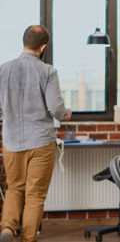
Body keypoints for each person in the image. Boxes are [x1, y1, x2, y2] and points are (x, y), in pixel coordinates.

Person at [0, 25, 72, 242]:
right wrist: (66, 113)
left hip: (12, 141)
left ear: (24, 42)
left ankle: (7, 230)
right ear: (43, 46)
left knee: (14, 188)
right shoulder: (47, 71)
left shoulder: (3, 69)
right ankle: (27, 239)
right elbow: (56, 109)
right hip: (40, 142)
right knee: (35, 194)